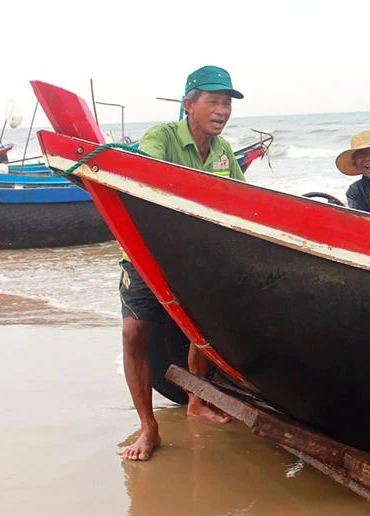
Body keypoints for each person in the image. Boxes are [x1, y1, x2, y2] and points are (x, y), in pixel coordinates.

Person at [120, 65, 246, 461]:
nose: (222, 110)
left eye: (227, 103)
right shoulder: (161, 136)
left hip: (195, 256)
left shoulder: (224, 151)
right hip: (147, 250)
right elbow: (147, 174)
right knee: (134, 333)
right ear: (189, 105)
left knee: (200, 328)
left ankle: (194, 400)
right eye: (213, 101)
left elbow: (244, 199)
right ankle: (148, 428)